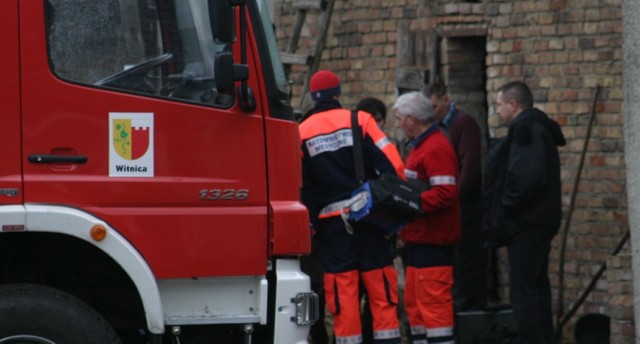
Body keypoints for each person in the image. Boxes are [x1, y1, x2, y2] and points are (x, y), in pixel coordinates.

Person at [299, 70, 404, 344]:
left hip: (332, 230)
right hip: (370, 222)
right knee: (381, 295)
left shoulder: (301, 133)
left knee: (343, 299)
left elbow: (301, 190)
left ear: (312, 97)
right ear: (338, 93)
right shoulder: (361, 121)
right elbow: (394, 168)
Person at [484, 81, 565, 343]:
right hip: (536, 222)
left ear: (513, 104)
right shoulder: (535, 128)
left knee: (524, 292)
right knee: (536, 286)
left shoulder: (527, 131)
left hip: (527, 224)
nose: (497, 111)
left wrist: (505, 208)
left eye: (499, 105)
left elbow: (525, 179)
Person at [392, 91, 460, 344]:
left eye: (399, 118)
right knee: (417, 306)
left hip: (433, 240)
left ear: (412, 119)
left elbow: (445, 192)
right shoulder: (422, 147)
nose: (398, 124)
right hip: (420, 238)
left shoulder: (435, 148)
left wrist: (412, 204)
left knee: (433, 306)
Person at [424, 82, 487, 312]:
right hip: (451, 210)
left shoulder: (463, 124)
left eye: (434, 106)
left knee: (467, 265)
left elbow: (470, 168)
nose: (432, 112)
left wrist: (452, 201)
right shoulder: (438, 127)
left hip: (465, 209)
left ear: (446, 100)